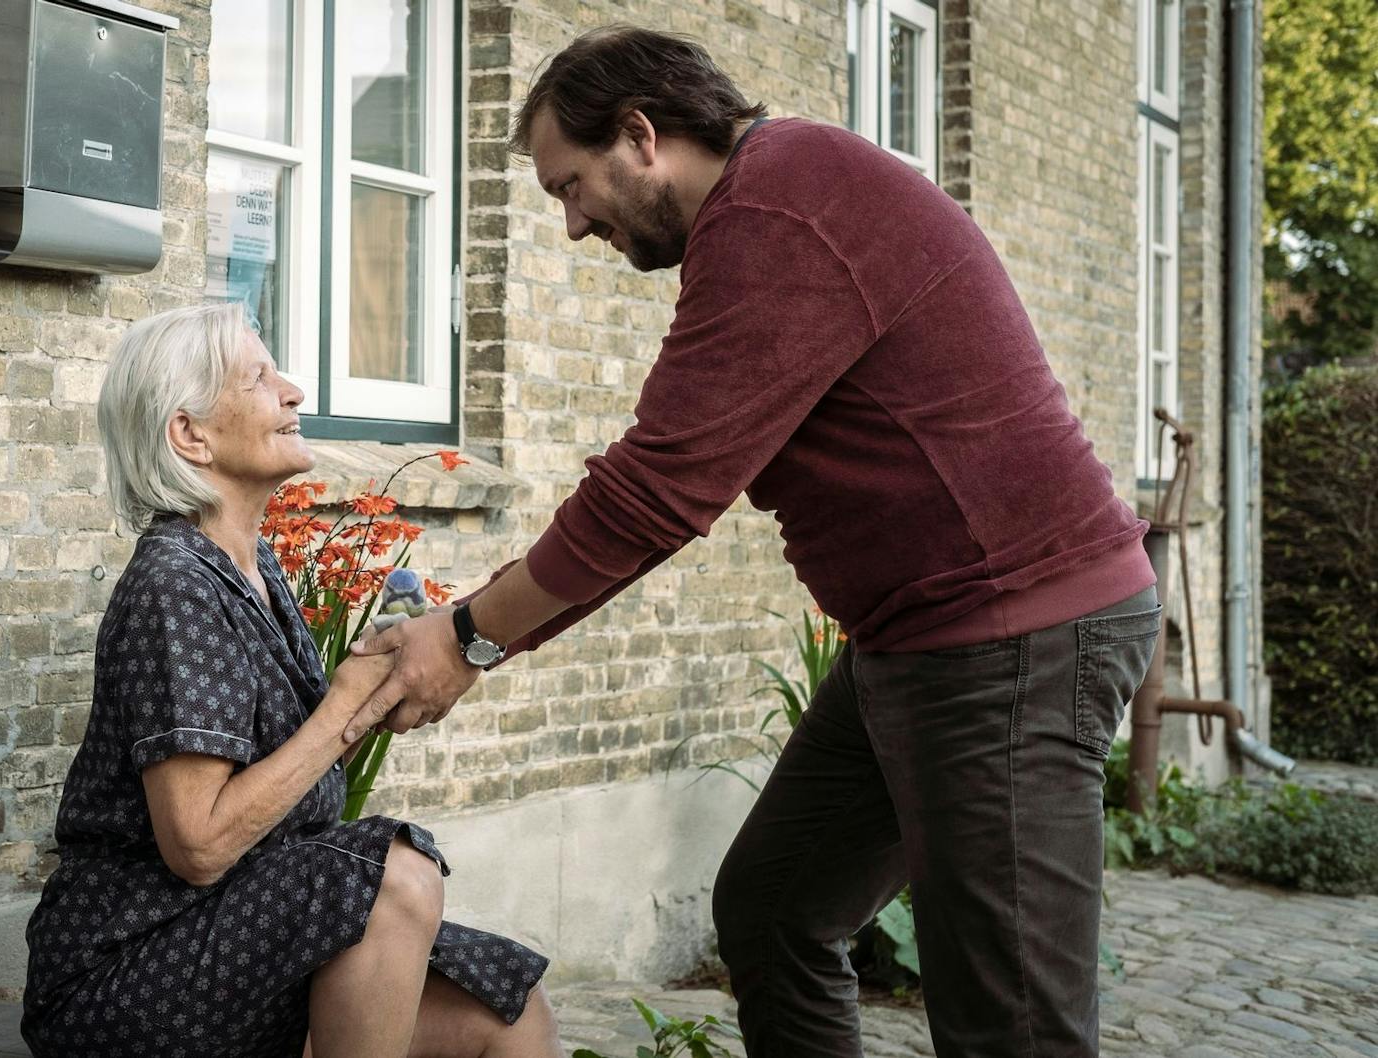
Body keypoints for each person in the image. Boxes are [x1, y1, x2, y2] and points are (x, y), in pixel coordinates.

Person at [350, 26, 1160, 1058]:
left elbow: (651, 492)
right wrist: (482, 639)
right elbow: (655, 509)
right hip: (918, 640)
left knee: (1012, 1028)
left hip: (1011, 637)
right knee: (776, 907)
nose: (568, 224)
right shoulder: (771, 202)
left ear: (641, 134)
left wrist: (465, 635)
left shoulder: (776, 210)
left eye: (569, 185)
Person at [21, 303, 560, 1058]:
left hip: (234, 942)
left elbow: (287, 777)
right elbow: (200, 844)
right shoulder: (176, 583)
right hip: (132, 970)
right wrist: (340, 708)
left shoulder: (254, 567)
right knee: (394, 876)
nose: (295, 391)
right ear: (190, 434)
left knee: (509, 1003)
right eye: (260, 377)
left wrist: (376, 691)